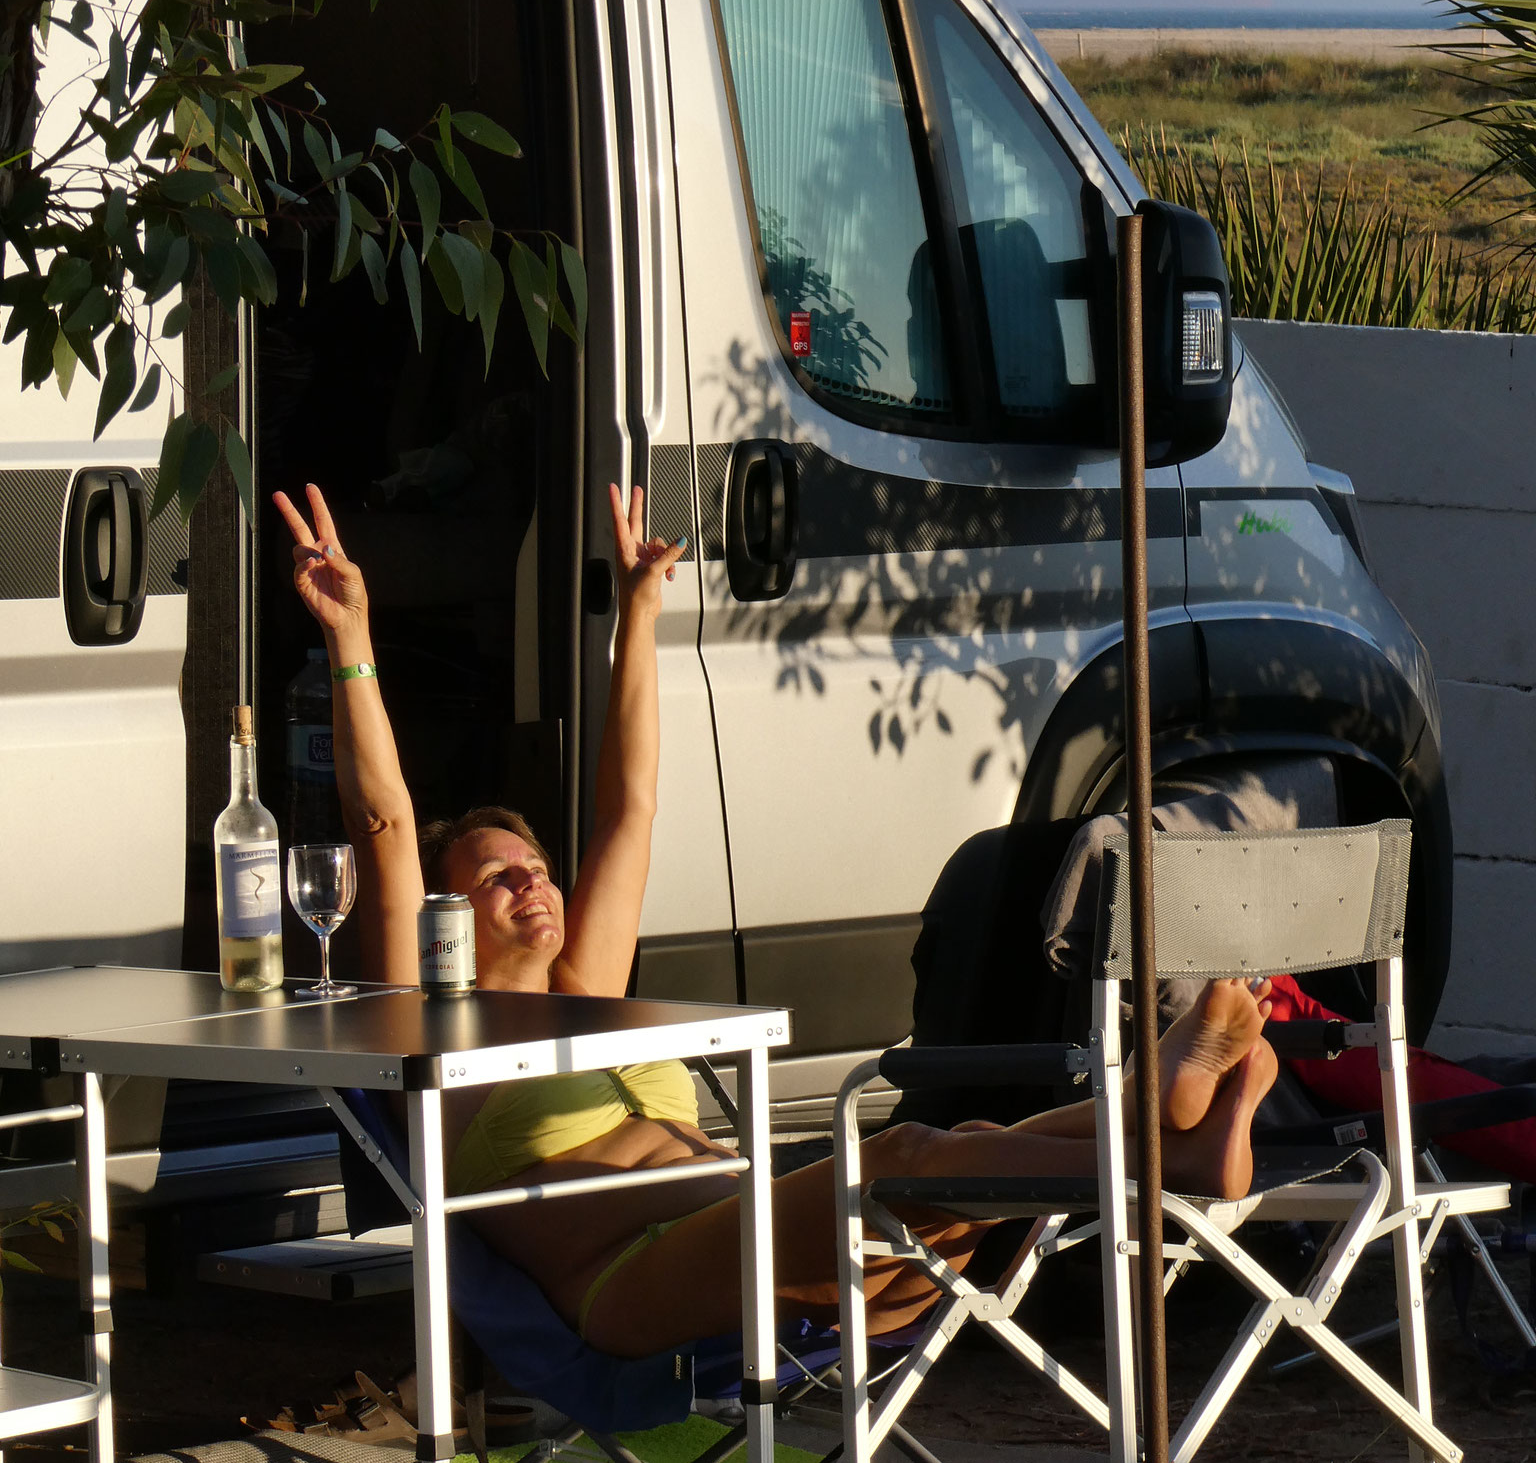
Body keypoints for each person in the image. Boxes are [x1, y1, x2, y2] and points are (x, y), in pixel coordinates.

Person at [274, 480, 1278, 1360]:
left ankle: (1157, 1113)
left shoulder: (591, 994)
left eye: (538, 867)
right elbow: (384, 819)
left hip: (769, 1236)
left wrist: (639, 614)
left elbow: (631, 805)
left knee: (949, 1149)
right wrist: (351, 639)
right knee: (908, 1153)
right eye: (497, 878)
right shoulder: (442, 1040)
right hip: (634, 1278)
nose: (533, 883)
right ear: (450, 918)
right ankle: (1165, 1145)